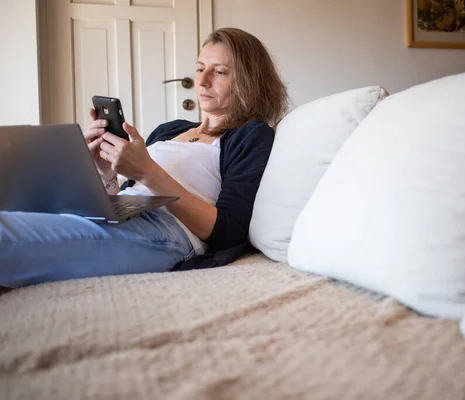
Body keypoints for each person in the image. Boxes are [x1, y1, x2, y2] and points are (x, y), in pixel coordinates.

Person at [0, 28, 289, 288]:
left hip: (169, 234)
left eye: (220, 72)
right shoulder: (171, 129)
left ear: (248, 81)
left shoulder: (251, 135)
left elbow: (228, 231)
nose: (201, 81)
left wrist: (148, 171)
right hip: (125, 215)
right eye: (200, 68)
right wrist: (104, 170)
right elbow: (128, 196)